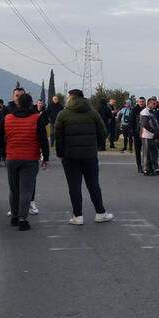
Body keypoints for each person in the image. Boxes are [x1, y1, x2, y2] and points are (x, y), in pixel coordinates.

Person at [54, 89, 112, 225]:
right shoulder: (93, 113)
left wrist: (60, 154)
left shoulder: (63, 114)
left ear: (71, 97)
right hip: (90, 155)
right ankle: (100, 213)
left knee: (74, 186)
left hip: (70, 156)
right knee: (93, 185)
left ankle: (77, 216)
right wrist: (95, 145)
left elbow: (58, 137)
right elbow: (103, 132)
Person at [0, 92, 49, 230]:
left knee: (14, 189)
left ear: (17, 103)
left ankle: (14, 216)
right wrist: (46, 157)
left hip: (12, 157)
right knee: (26, 189)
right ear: (31, 104)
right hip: (30, 158)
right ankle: (22, 219)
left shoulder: (7, 118)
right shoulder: (36, 118)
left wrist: (5, 147)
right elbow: (43, 139)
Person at [139, 97, 159, 175]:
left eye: (155, 104)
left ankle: (155, 168)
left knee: (154, 152)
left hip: (153, 135)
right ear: (149, 104)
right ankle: (146, 169)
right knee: (146, 153)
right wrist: (154, 131)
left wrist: (156, 132)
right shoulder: (145, 112)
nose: (155, 105)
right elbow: (145, 124)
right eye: (153, 104)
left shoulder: (152, 111)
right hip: (147, 135)